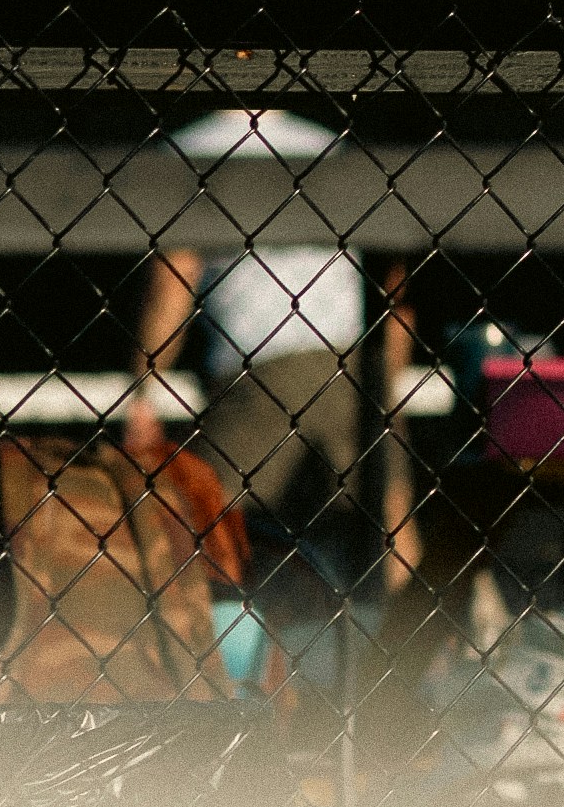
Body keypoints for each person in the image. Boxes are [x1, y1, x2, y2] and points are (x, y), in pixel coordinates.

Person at [124, 109, 408, 589]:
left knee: (190, 532)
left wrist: (142, 389)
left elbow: (174, 282)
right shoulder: (327, 145)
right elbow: (395, 282)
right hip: (352, 362)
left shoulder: (188, 149)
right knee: (389, 534)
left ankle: (199, 657)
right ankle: (426, 651)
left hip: (264, 368)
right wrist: (390, 380)